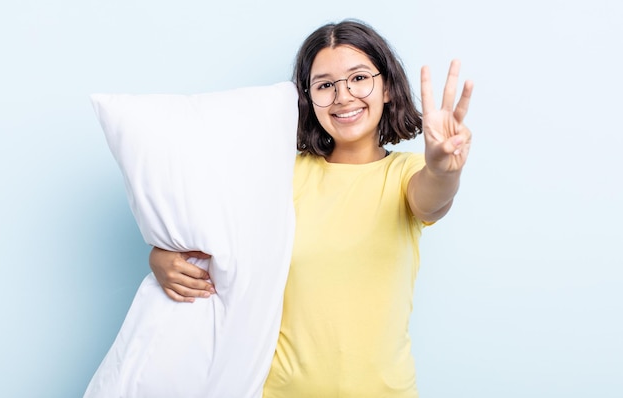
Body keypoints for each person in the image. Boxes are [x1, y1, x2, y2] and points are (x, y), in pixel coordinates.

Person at [150, 19, 473, 397]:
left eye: (358, 78)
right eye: (325, 85)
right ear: (308, 98)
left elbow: (431, 201)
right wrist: (162, 256)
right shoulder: (280, 174)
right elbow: (216, 236)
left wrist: (441, 168)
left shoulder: (405, 173)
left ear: (386, 88)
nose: (343, 96)